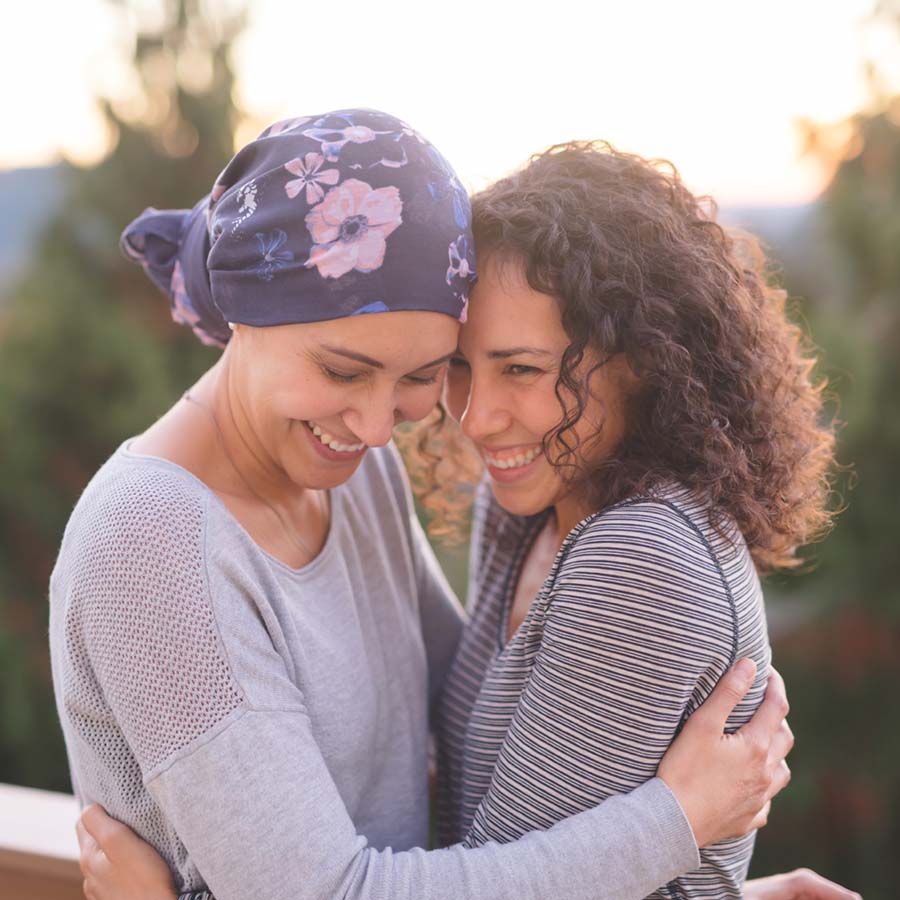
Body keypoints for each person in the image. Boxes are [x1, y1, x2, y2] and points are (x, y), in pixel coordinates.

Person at [59, 111, 793, 900]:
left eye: (419, 376)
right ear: (244, 312)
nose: (379, 427)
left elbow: (483, 723)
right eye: (344, 371)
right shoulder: (150, 540)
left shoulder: (347, 473)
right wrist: (675, 821)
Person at [432, 142, 844, 899]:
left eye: (520, 369)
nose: (475, 418)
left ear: (644, 358)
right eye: (461, 364)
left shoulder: (641, 557)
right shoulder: (529, 508)